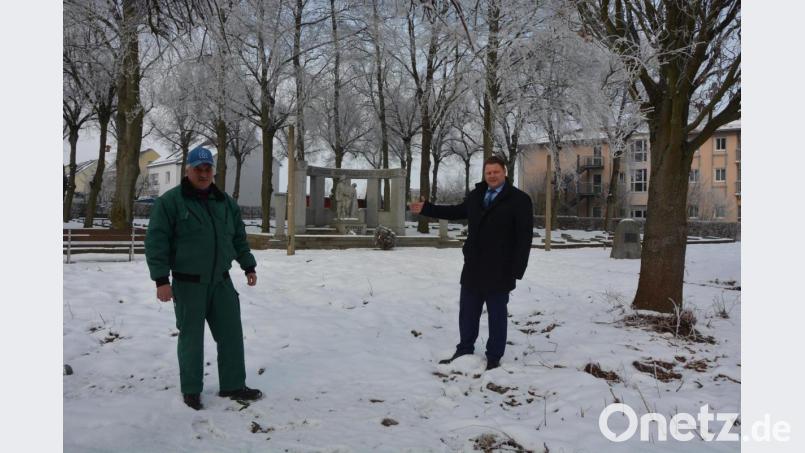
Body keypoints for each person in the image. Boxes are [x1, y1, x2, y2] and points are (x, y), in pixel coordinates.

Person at [145, 146, 262, 410]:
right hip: (188, 284)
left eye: (208, 168)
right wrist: (161, 280)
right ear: (188, 170)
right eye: (198, 168)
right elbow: (156, 242)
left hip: (221, 281)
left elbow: (238, 238)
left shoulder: (225, 203)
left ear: (213, 171)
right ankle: (191, 390)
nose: (203, 173)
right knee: (191, 339)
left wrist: (248, 266)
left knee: (231, 334)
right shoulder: (170, 202)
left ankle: (233, 384)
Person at [409, 155, 533, 371]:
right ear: (484, 174)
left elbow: (524, 238)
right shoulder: (477, 195)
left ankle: (493, 357)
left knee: (496, 315)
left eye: (496, 171)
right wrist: (427, 208)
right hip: (474, 266)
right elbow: (456, 211)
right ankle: (465, 349)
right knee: (467, 312)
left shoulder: (519, 200)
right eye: (488, 172)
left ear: (505, 172)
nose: (492, 175)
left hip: (500, 269)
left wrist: (516, 271)